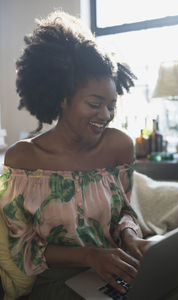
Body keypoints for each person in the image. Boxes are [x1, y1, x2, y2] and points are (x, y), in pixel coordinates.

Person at [0, 10, 151, 299]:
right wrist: (90, 256)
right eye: (95, 104)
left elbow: (124, 213)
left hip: (117, 269)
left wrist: (130, 235)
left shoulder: (119, 146)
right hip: (58, 281)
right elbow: (24, 248)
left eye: (111, 105)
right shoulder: (23, 161)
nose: (105, 115)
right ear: (62, 98)